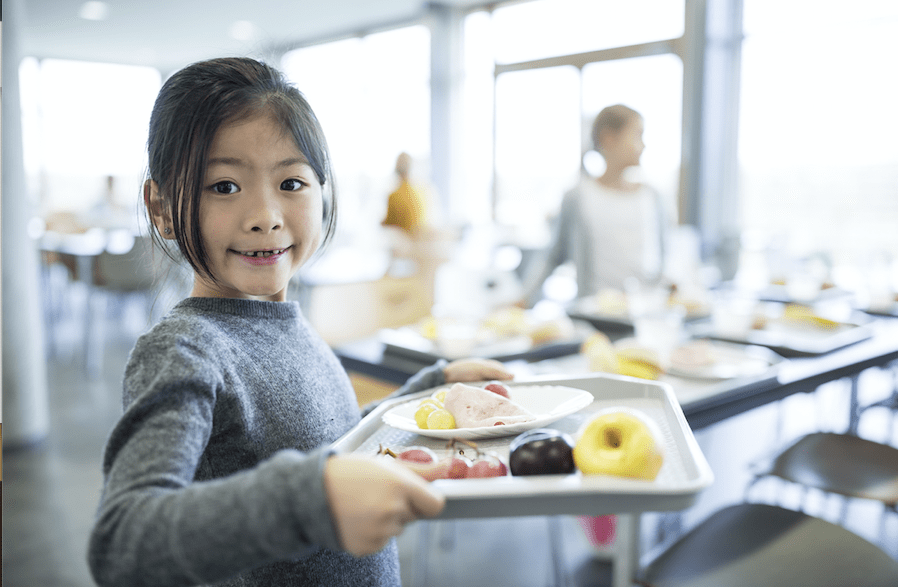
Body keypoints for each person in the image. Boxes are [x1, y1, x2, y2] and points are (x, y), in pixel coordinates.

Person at [87, 57, 512, 587]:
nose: (265, 214)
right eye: (224, 186)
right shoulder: (185, 350)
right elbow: (124, 542)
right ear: (162, 207)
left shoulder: (283, 320)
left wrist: (425, 399)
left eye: (291, 182)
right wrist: (310, 500)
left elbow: (330, 445)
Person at [520, 104, 672, 306]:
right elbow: (553, 256)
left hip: (645, 311)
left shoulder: (652, 197)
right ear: (608, 138)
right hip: (595, 314)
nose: (643, 146)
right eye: (637, 136)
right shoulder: (579, 197)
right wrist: (524, 299)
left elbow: (663, 259)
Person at [382, 152, 431, 234]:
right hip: (420, 239)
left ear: (396, 170)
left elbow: (388, 222)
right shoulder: (421, 192)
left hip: (404, 242)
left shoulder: (393, 196)